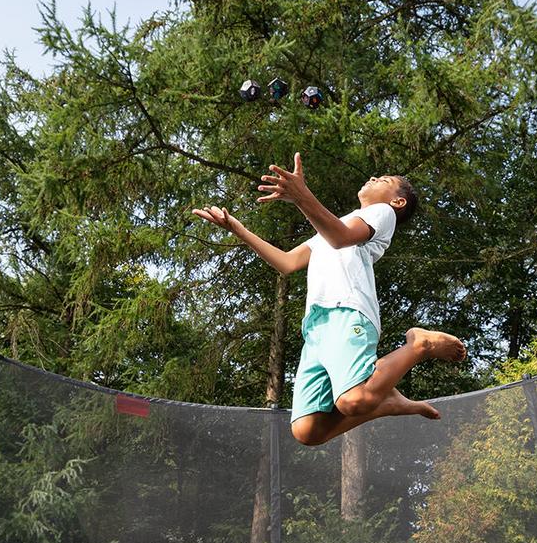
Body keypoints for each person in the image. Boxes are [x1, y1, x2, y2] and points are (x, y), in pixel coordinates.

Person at [192, 152, 466, 446]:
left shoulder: (383, 213)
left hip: (346, 311)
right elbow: (287, 262)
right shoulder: (334, 226)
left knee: (353, 400)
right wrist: (238, 229)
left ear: (397, 202)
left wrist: (302, 196)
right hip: (316, 327)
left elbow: (341, 237)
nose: (373, 177)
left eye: (384, 180)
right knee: (308, 431)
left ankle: (419, 345)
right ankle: (386, 403)